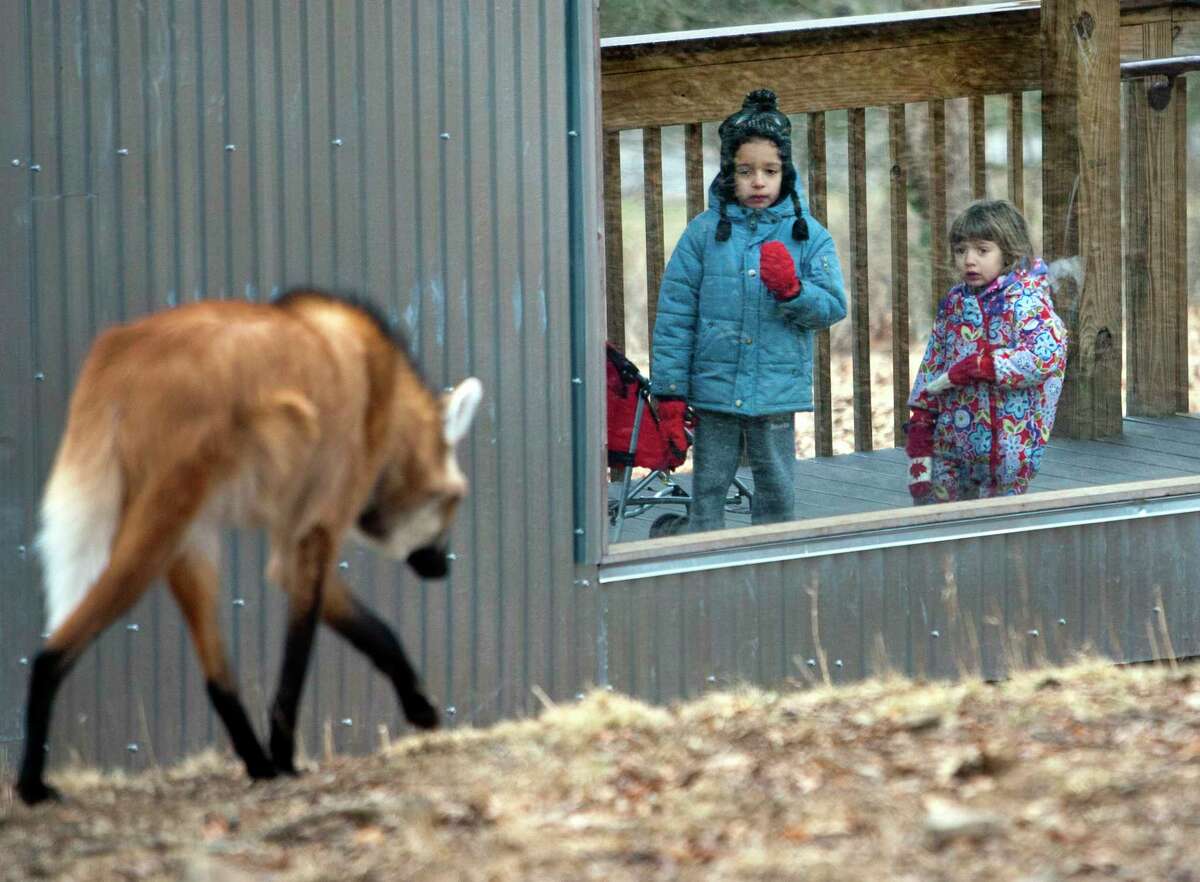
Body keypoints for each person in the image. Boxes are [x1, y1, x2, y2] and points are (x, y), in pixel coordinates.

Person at [650, 89, 847, 532]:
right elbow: (675, 314)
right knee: (710, 483)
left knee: (775, 485)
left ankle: (773, 557)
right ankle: (702, 550)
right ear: (728, 175)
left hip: (775, 388)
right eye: (745, 171)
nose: (758, 181)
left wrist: (794, 292)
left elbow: (832, 306)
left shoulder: (807, 235)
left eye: (770, 170)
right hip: (713, 386)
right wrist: (669, 389)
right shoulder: (702, 235)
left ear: (786, 174)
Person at [905, 199, 1068, 505]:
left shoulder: (1026, 301)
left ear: (1008, 251)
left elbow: (1046, 356)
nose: (969, 260)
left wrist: (987, 365)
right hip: (952, 436)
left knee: (995, 525)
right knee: (936, 514)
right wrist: (921, 416)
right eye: (961, 250)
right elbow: (934, 361)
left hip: (1008, 445)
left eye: (982, 250)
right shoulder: (955, 302)